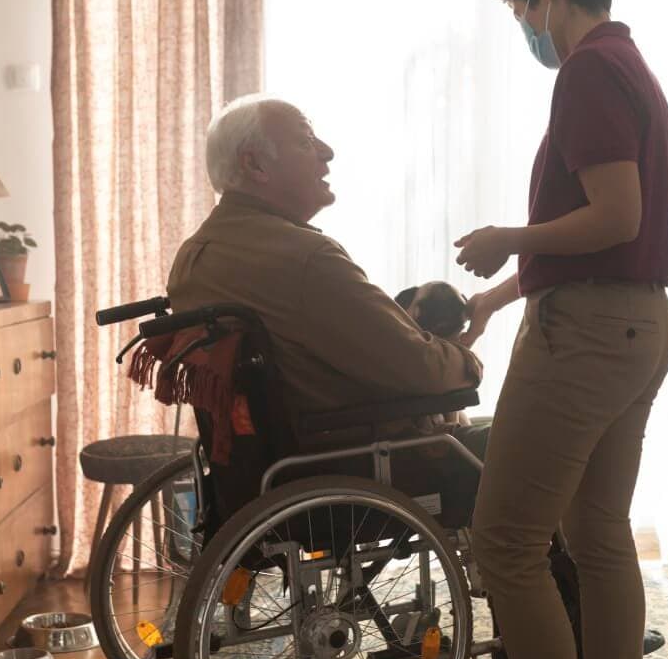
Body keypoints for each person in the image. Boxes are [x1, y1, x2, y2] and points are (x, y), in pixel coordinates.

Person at [449, 0, 668, 659]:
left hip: (587, 334)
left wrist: (510, 238)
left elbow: (611, 214)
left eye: (520, 10)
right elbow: (616, 231)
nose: (526, 30)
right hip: (636, 323)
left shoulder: (587, 70)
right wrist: (506, 294)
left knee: (503, 542)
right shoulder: (630, 66)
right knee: (596, 537)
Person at [167, 94, 482, 430]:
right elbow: (423, 369)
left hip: (261, 465)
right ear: (255, 165)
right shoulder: (306, 259)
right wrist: (467, 359)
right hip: (367, 456)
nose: (327, 152)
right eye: (306, 141)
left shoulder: (189, 262)